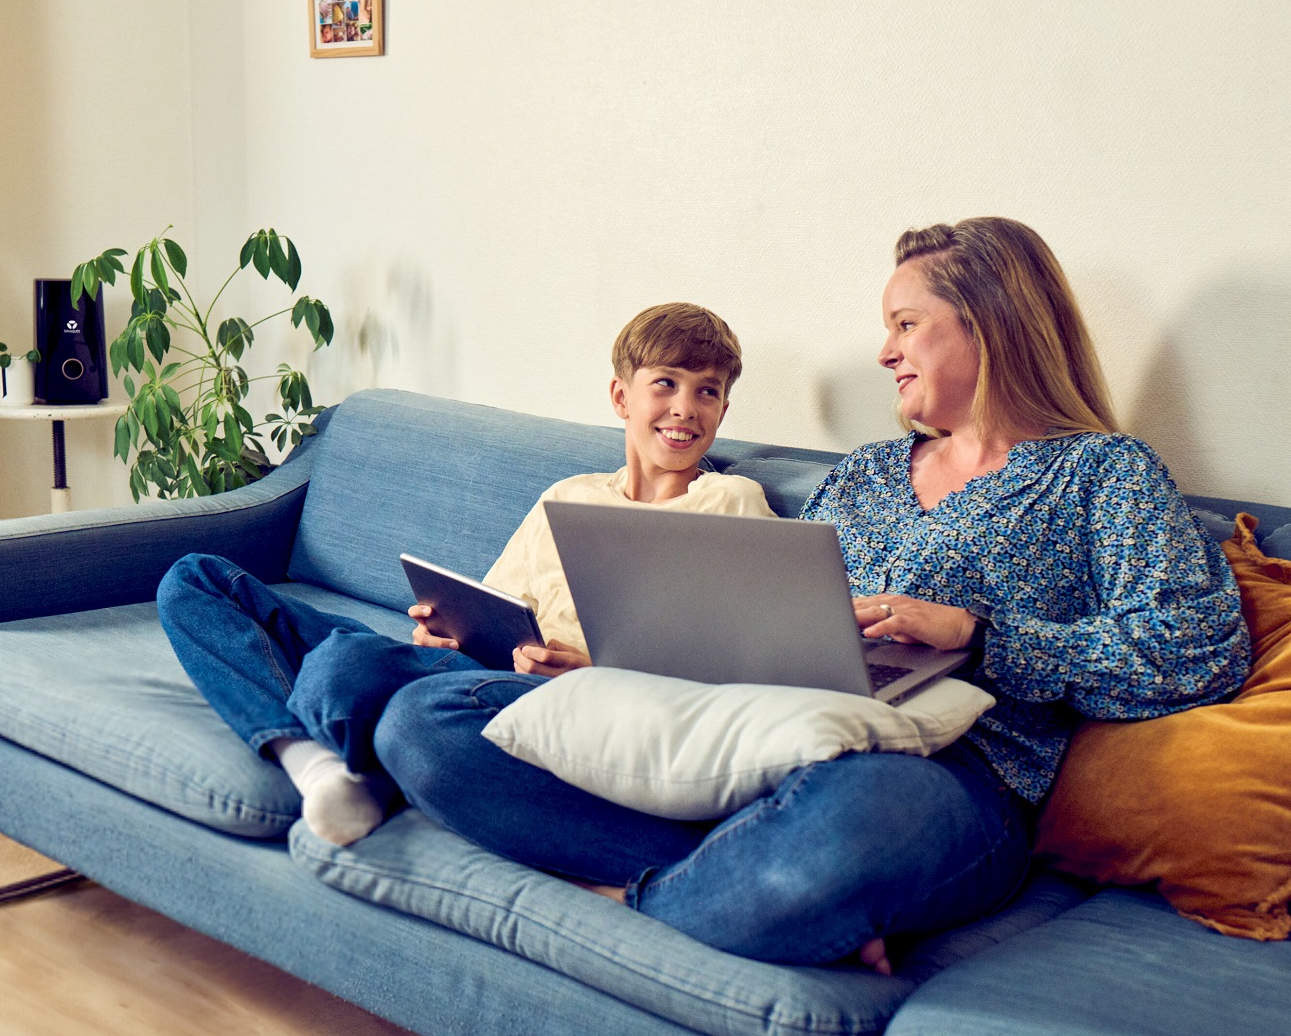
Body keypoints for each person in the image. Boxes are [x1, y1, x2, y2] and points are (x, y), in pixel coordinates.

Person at [373, 216, 1252, 974]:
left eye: (906, 323)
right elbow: (742, 619)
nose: (883, 351)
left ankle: (635, 892)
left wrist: (983, 635)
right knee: (428, 722)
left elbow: (1200, 652)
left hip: (942, 779)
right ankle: (739, 893)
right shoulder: (865, 473)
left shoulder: (1103, 472)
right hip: (749, 736)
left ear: (990, 323)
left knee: (841, 837)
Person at [156, 302, 773, 846]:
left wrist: (592, 668)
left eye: (708, 391)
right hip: (473, 668)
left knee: (344, 669)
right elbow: (496, 603)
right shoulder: (569, 494)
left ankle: (342, 759)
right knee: (195, 580)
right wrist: (446, 628)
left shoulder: (731, 501)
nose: (685, 410)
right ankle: (318, 767)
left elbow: (741, 660)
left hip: (555, 699)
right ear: (620, 396)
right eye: (665, 384)